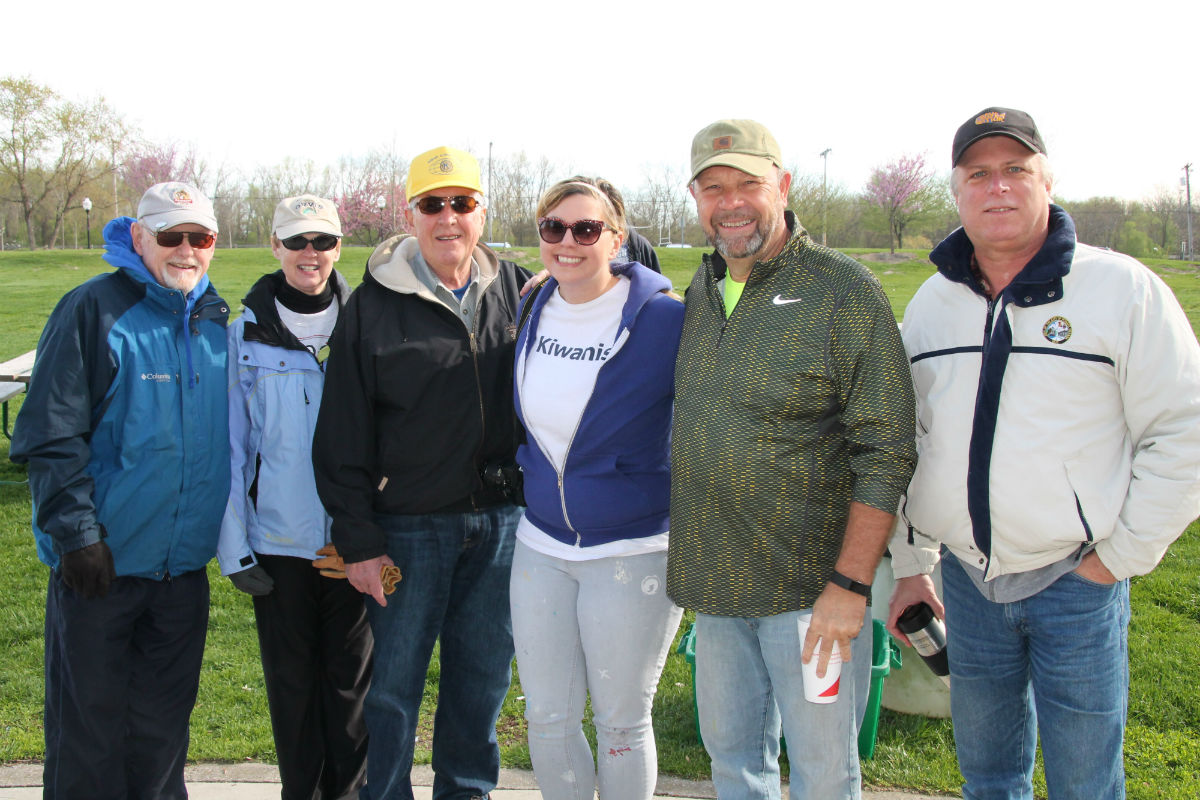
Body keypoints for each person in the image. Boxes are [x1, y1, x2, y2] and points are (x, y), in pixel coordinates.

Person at [886, 106, 1200, 800]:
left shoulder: (1121, 290)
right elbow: (905, 442)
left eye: (1015, 170)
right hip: (967, 585)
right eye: (979, 174)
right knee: (990, 777)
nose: (997, 187)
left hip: (1075, 585)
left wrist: (1117, 559)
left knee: (1086, 783)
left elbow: (1185, 428)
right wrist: (912, 567)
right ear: (957, 190)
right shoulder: (932, 305)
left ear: (1046, 180)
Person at [667, 119, 916, 800]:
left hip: (812, 601)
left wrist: (851, 586)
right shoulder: (701, 288)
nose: (731, 202)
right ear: (696, 197)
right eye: (713, 187)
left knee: (823, 774)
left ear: (783, 184)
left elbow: (887, 452)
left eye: (747, 183)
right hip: (717, 596)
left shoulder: (844, 293)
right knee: (734, 764)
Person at [312, 146, 532, 800]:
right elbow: (341, 434)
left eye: (461, 203)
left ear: (482, 213)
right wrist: (358, 540)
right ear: (409, 215)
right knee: (392, 694)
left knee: (481, 687)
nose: (447, 219)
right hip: (405, 530)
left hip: (500, 528)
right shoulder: (372, 306)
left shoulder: (522, 290)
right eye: (432, 205)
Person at [10, 182, 229, 799]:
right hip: (99, 574)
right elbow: (50, 435)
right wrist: (78, 537)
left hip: (180, 577)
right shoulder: (93, 310)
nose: (186, 250)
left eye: (200, 237)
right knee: (90, 745)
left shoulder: (217, 323)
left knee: (160, 743)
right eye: (171, 236)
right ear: (139, 237)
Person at [509, 176, 684, 799]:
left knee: (620, 724)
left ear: (617, 237)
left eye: (587, 229)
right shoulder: (532, 305)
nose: (568, 242)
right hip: (541, 545)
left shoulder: (665, 318)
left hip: (630, 549)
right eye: (553, 228)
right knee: (547, 719)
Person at [218, 194, 371, 799]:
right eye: (297, 241)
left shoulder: (367, 327)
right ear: (275, 246)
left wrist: (377, 540)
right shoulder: (244, 336)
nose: (312, 254)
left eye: (324, 242)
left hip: (353, 547)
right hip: (277, 550)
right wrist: (236, 551)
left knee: (351, 696)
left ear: (340, 246)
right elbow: (230, 449)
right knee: (292, 693)